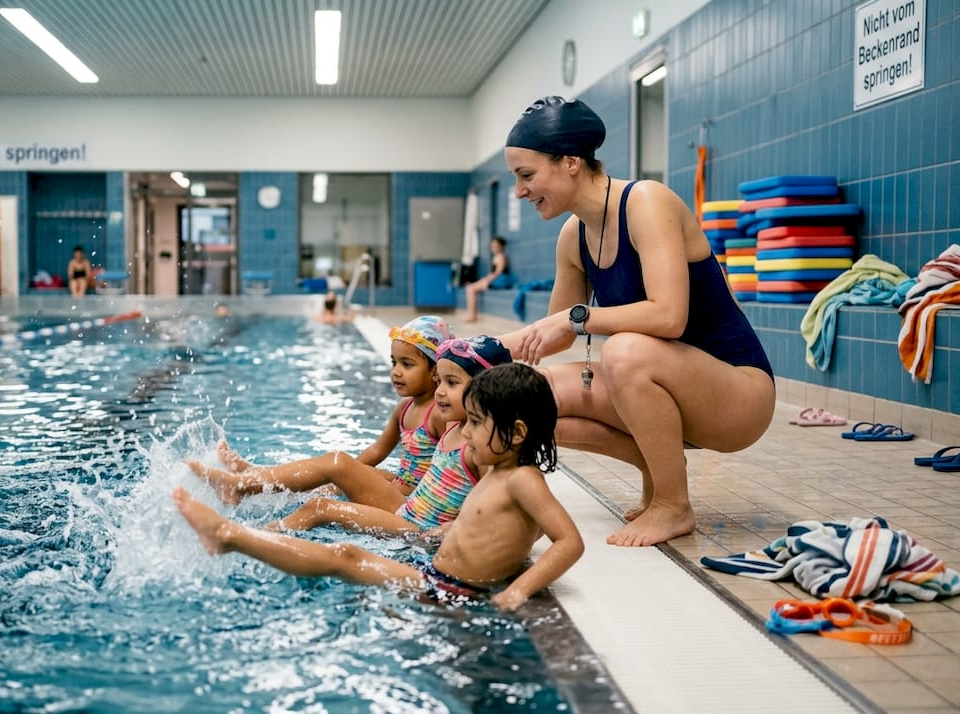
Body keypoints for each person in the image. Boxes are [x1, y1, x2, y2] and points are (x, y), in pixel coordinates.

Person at [499, 96, 776, 548]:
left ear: (570, 162)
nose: (520, 192)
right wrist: (466, 350)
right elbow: (548, 335)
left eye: (526, 176)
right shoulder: (574, 235)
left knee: (625, 350)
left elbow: (668, 316)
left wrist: (578, 320)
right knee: (530, 397)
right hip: (670, 388)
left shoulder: (645, 201)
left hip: (737, 395)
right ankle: (657, 465)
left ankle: (672, 504)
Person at [174, 362, 584, 610]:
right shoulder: (499, 472)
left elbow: (569, 542)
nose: (468, 433)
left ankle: (230, 536)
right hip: (435, 575)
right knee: (343, 554)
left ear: (515, 433)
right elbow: (487, 524)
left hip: (450, 591)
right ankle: (236, 530)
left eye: (477, 423)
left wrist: (518, 593)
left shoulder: (525, 480)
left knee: (345, 557)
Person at [189, 315, 454, 505]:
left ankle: (245, 485)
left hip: (414, 499)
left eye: (407, 364)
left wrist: (346, 472)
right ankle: (255, 476)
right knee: (331, 477)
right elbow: (376, 451)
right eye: (394, 362)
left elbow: (454, 470)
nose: (396, 371)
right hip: (398, 484)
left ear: (435, 371)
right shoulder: (404, 408)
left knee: (335, 469)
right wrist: (351, 473)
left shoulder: (439, 415)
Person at [269, 336, 512, 534]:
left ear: (486, 390)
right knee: (336, 470)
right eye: (439, 382)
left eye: (451, 383)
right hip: (407, 509)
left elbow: (492, 506)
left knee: (319, 508)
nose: (439, 392)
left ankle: (256, 537)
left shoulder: (479, 446)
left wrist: (453, 529)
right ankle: (257, 490)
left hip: (417, 528)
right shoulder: (455, 427)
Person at [463, 237, 514, 323]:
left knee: (471, 289)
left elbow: (498, 272)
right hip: (497, 279)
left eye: (496, 246)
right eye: (493, 246)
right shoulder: (496, 256)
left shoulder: (501, 257)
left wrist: (486, 279)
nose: (494, 248)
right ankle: (472, 314)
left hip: (501, 281)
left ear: (502, 246)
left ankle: (472, 315)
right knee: (471, 287)